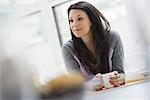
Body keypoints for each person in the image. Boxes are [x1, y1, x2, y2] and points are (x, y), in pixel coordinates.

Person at [62, 1, 125, 90]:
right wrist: (92, 84)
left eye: (79, 19)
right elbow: (76, 86)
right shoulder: (68, 48)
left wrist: (119, 79)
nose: (74, 25)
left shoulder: (113, 37)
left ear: (92, 20)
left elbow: (121, 73)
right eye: (71, 20)